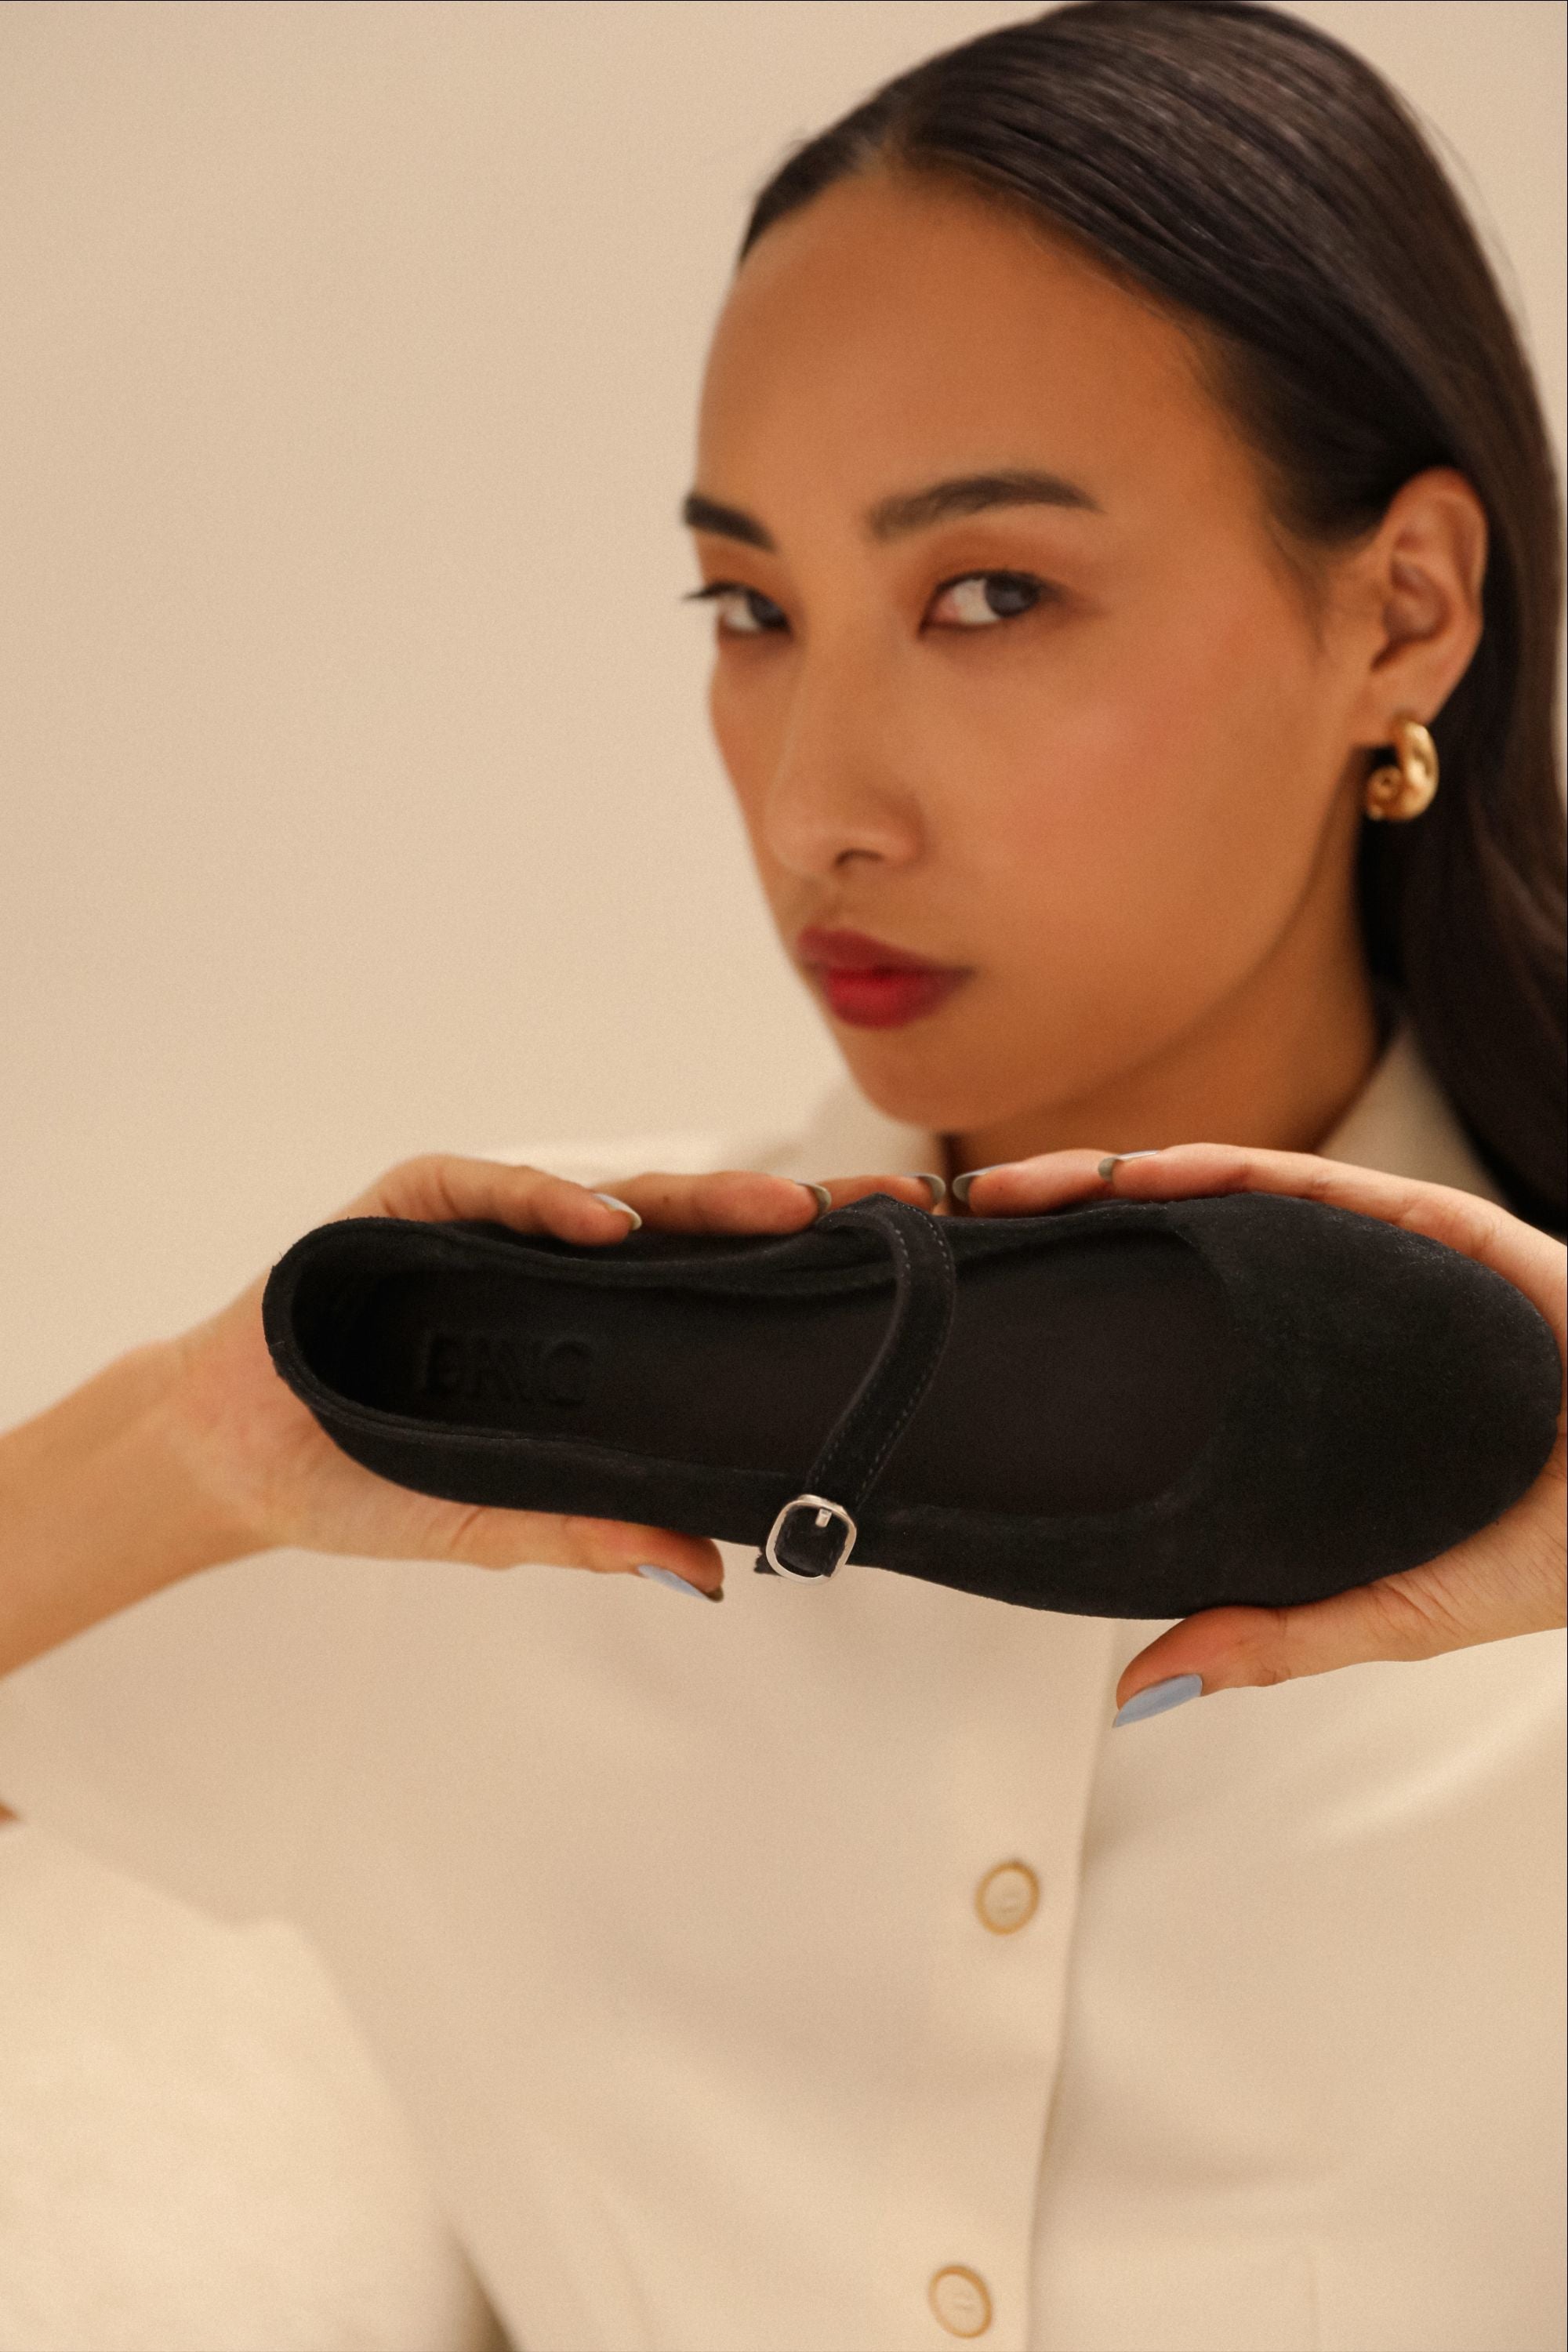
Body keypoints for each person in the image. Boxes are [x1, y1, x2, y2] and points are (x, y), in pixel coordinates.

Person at [1, 3, 1563, 2346]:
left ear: (1402, 610)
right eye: (750, 610)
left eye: (990, 595)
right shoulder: (463, 1447)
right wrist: (185, 1450)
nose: (821, 797)